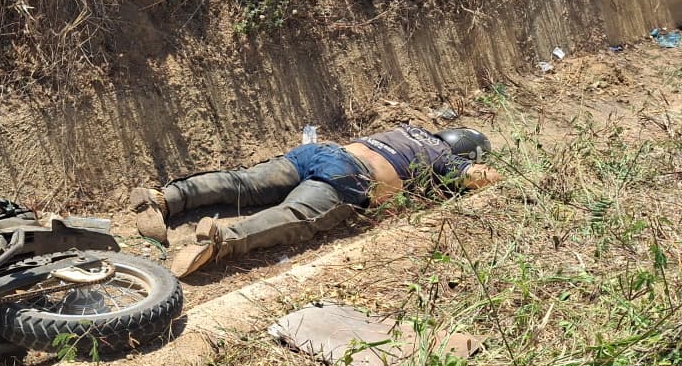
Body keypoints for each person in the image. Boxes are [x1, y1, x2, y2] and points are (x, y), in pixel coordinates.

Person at [131, 124, 503, 276]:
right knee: (295, 216)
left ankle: (165, 199)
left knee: (245, 182)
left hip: (321, 153)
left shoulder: (410, 129)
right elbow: (484, 181)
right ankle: (221, 242)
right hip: (350, 179)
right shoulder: (443, 157)